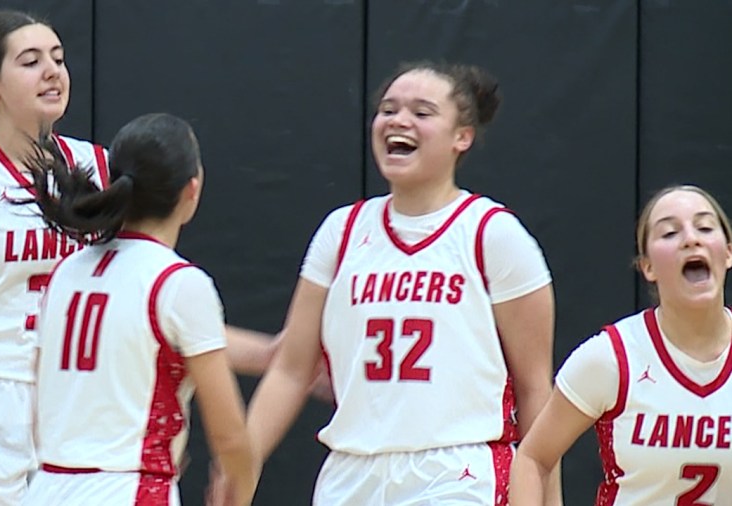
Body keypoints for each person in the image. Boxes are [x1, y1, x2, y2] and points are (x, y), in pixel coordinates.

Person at [0, 10, 275, 504]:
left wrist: (268, 354)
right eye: (31, 61)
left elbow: (148, 302)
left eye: (58, 58)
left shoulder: (97, 168)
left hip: (74, 405)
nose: (53, 71)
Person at [243, 61, 558, 504]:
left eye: (422, 112)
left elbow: (534, 387)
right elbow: (292, 368)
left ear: (461, 137)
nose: (398, 120)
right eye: (388, 109)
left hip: (457, 470)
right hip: (351, 470)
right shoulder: (342, 231)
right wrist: (243, 460)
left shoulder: (493, 234)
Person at [18, 112, 259, 505]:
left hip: (46, 488)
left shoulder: (66, 271)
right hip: (129, 491)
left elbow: (38, 402)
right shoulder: (179, 283)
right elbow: (231, 439)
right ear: (191, 191)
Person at [511, 185, 732, 505]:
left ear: (727, 253)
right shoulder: (612, 356)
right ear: (648, 267)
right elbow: (532, 459)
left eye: (705, 226)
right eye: (669, 233)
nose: (690, 238)